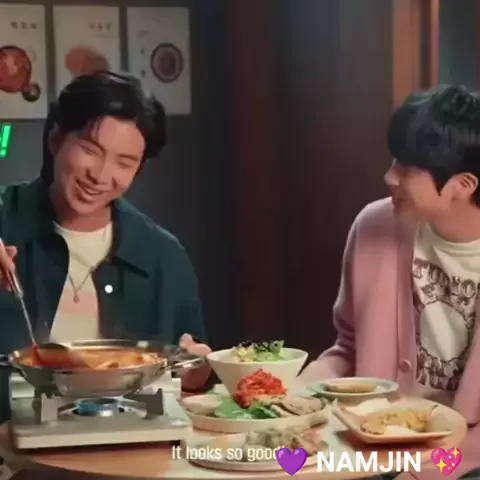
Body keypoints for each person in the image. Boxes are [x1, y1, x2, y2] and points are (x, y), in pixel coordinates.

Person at [0, 71, 212, 424]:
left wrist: (197, 371)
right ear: (56, 139)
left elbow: (191, 379)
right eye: (90, 150)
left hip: (131, 449)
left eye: (124, 163)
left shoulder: (163, 256)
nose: (99, 176)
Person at [299, 86, 480, 479]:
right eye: (394, 160)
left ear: (463, 184)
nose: (389, 176)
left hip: (466, 458)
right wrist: (297, 391)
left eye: (408, 169)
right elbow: (350, 349)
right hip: (374, 446)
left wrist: (417, 474)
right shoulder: (374, 226)